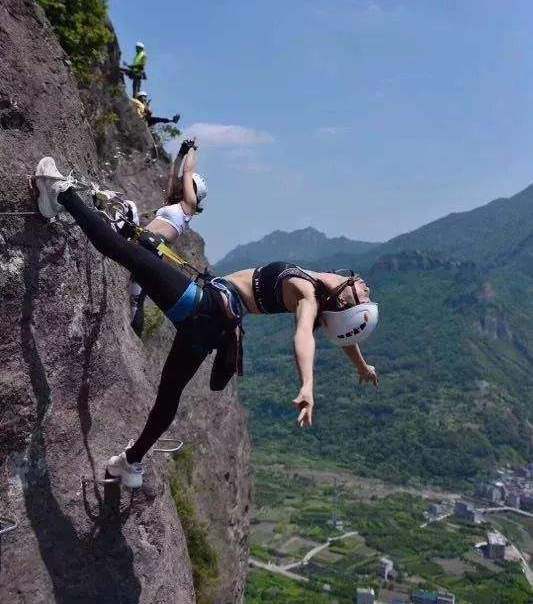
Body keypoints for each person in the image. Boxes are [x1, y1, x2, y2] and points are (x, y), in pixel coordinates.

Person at [35, 157, 379, 488]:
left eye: (363, 293)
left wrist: (307, 385)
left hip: (206, 305)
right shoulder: (319, 290)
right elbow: (344, 333)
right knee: (169, 395)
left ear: (344, 299)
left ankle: (59, 191)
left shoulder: (306, 293)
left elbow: (305, 336)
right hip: (214, 330)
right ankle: (130, 462)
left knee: (124, 251)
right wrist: (361, 366)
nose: (365, 286)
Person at [125, 138, 207, 335]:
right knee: (133, 295)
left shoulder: (188, 207)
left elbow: (186, 172)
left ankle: (135, 333)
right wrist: (181, 151)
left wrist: (193, 150)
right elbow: (174, 173)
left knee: (135, 300)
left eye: (188, 184)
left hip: (151, 247)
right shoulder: (173, 203)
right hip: (144, 242)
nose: (183, 183)